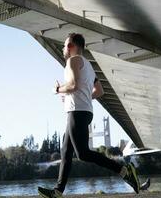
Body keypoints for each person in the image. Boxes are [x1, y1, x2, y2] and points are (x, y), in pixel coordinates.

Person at [38, 33, 140, 198]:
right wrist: (80, 96)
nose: (64, 49)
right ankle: (58, 191)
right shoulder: (89, 66)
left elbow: (72, 85)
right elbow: (99, 91)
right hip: (84, 110)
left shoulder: (73, 61)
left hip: (77, 112)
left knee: (83, 153)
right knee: (66, 151)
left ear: (71, 46)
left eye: (65, 46)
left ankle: (124, 171)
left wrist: (57, 90)